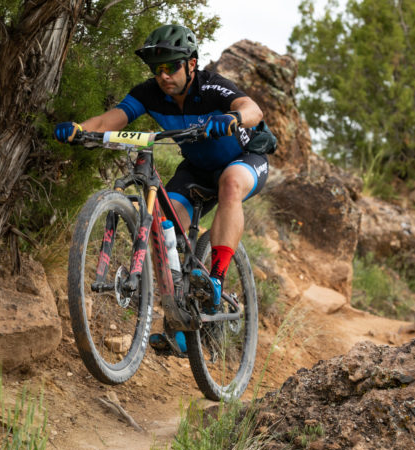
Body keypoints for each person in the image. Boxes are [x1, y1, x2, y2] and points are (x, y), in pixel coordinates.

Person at [54, 24, 272, 354]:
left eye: (171, 66)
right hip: (196, 169)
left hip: (245, 158)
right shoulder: (150, 93)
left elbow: (253, 109)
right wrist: (80, 130)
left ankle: (215, 279)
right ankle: (179, 319)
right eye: (157, 69)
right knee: (163, 226)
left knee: (229, 184)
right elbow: (113, 118)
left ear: (192, 64)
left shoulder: (211, 85)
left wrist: (233, 119)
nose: (163, 75)